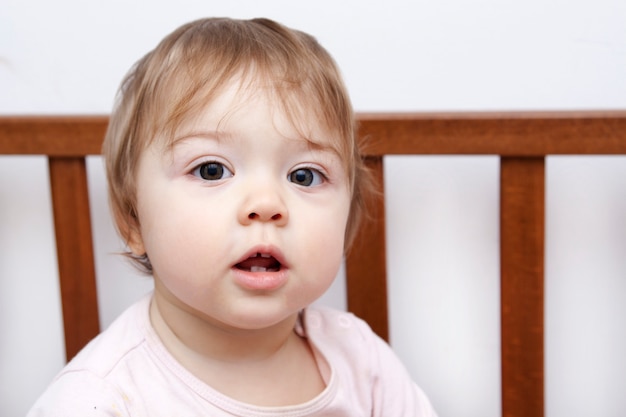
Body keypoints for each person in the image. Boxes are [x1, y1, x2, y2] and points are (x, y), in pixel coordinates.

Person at [28, 17, 437, 416]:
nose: (266, 204)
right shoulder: (101, 399)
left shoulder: (362, 364)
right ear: (132, 220)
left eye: (304, 175)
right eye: (211, 170)